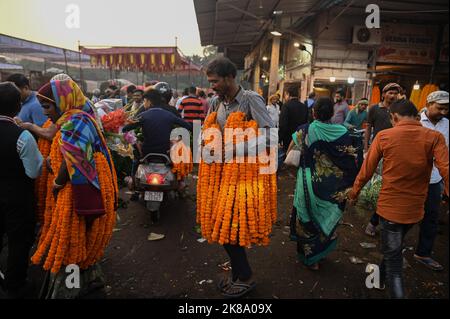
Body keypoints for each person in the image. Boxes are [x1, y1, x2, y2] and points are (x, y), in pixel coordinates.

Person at [348, 99, 449, 298]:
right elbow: (446, 169)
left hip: (390, 209)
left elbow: (366, 171)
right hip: (415, 210)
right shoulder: (435, 137)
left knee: (394, 261)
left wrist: (354, 193)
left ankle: (389, 285)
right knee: (393, 248)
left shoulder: (385, 136)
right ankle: (379, 279)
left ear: (394, 117)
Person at [29, 79, 118, 298]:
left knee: (70, 243)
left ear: (63, 101)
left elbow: (74, 163)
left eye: (47, 106)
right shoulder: (82, 116)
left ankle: (69, 291)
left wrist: (58, 183)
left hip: (76, 190)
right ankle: (90, 280)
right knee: (83, 241)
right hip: (91, 183)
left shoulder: (73, 123)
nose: (45, 113)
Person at [205, 57, 275, 298]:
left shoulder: (250, 100)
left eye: (215, 81)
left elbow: (271, 138)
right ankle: (239, 275)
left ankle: (244, 276)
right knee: (224, 227)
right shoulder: (216, 102)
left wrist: (236, 149)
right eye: (210, 82)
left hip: (246, 176)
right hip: (222, 175)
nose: (212, 86)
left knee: (228, 226)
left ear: (229, 78)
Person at [288, 97, 358, 271]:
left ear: (314, 112)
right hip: (331, 187)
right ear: (333, 114)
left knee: (306, 221)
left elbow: (290, 152)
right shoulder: (342, 132)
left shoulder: (305, 130)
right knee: (323, 219)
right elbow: (350, 161)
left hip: (307, 184)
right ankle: (320, 254)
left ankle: (311, 259)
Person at [0, 82, 43, 298]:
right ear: (18, 107)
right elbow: (34, 171)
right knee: (18, 241)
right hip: (18, 197)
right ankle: (15, 285)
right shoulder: (22, 136)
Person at [414, 91, 449, 271]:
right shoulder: (415, 122)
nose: (443, 112)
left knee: (432, 217)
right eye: (440, 107)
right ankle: (391, 252)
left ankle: (423, 253)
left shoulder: (447, 125)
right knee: (402, 216)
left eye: (446, 108)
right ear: (428, 104)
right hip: (413, 178)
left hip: (435, 179)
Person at [364, 83, 401, 236]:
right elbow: (368, 128)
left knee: (389, 186)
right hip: (377, 150)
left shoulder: (399, 110)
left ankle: (376, 220)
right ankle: (374, 217)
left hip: (395, 152)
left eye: (396, 93)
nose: (393, 96)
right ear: (384, 94)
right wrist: (366, 148)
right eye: (391, 92)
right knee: (377, 185)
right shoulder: (374, 109)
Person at [122, 89, 192, 157]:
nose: (144, 104)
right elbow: (188, 126)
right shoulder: (169, 115)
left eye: (144, 101)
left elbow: (126, 128)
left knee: (135, 159)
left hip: (147, 151)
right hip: (166, 151)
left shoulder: (143, 115)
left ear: (149, 102)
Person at [279, 86, 308, 152]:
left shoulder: (286, 106)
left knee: (287, 159)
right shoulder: (304, 107)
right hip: (299, 138)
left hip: (288, 139)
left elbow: (283, 125)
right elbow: (306, 123)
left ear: (288, 94)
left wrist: (280, 139)